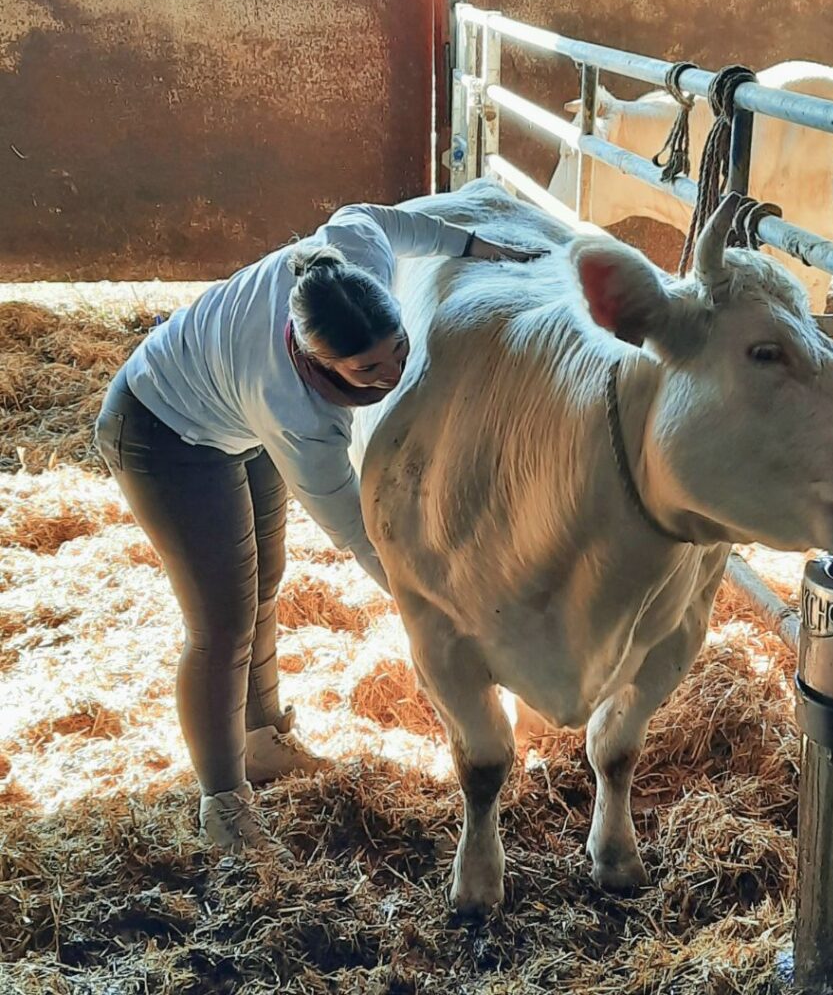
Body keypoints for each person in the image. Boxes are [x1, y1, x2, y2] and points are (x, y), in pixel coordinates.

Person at [94, 201, 543, 853]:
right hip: (163, 430)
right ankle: (224, 808)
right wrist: (441, 610)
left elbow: (377, 219)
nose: (392, 378)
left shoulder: (354, 259)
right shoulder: (298, 415)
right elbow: (360, 536)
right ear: (317, 360)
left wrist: (475, 248)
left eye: (398, 352)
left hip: (231, 415)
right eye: (368, 371)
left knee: (263, 581)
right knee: (220, 622)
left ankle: (260, 738)